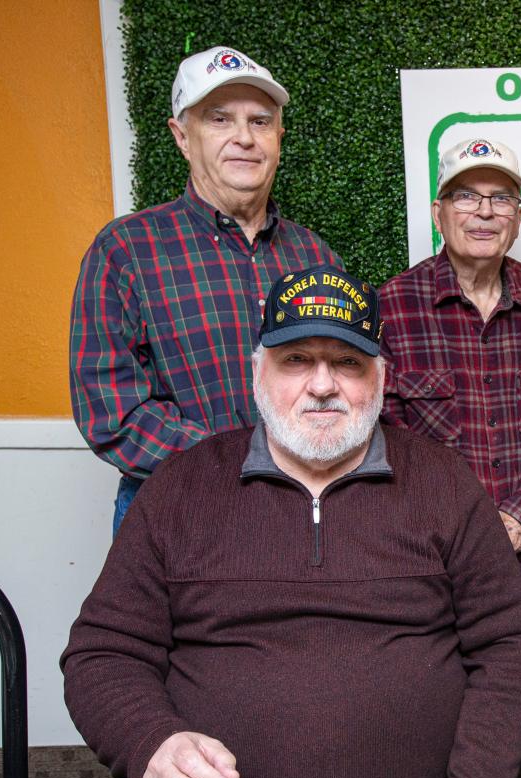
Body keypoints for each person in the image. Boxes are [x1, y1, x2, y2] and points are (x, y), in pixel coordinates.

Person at [62, 266, 521, 778]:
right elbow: (104, 653)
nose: (322, 385)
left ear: (380, 378)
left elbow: (507, 643)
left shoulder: (443, 481)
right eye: (296, 361)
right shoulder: (181, 487)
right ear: (257, 373)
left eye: (347, 362)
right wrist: (155, 746)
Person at [379, 138, 521, 778]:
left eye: (499, 197)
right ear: (438, 210)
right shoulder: (390, 306)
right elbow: (385, 442)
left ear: (518, 210)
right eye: (466, 197)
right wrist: (473, 531)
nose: (483, 211)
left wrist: (519, 521)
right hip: (439, 574)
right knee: (458, 752)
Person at [69, 45, 341, 534]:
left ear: (279, 136)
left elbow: (344, 379)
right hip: (179, 509)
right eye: (219, 119)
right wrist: (244, 461)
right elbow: (111, 412)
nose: (244, 138)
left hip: (305, 507)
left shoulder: (315, 257)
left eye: (260, 122)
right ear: (182, 136)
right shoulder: (126, 250)